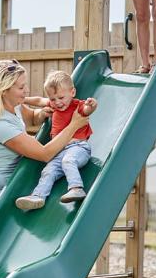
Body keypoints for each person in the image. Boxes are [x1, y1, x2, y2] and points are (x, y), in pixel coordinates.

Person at [0, 60, 90, 228]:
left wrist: (41, 114)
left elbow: (31, 116)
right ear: (4, 90)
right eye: (20, 87)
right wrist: (74, 125)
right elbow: (45, 154)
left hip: (9, 192)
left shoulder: (15, 106)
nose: (26, 90)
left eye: (25, 85)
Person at [16, 70, 97, 211]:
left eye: (61, 97)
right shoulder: (53, 105)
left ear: (72, 92)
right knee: (48, 171)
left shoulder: (76, 106)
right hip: (59, 152)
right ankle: (38, 196)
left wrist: (91, 105)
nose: (57, 103)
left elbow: (87, 110)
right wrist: (23, 100)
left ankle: (76, 188)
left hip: (78, 148)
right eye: (53, 99)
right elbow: (39, 101)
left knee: (68, 161)